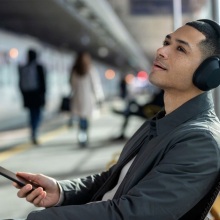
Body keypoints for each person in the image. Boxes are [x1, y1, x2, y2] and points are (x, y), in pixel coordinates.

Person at [14, 19, 220, 219]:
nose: (161, 51)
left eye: (181, 49)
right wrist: (61, 192)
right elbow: (112, 180)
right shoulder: (160, 123)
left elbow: (132, 214)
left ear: (209, 73)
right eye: (166, 43)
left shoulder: (200, 142)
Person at [68, 51, 98, 147]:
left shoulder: (74, 70)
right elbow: (95, 84)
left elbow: (72, 85)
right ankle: (85, 137)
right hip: (88, 97)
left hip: (77, 97)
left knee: (81, 118)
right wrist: (98, 96)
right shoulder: (90, 68)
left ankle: (81, 137)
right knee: (86, 118)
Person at [18, 49, 46, 145]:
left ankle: (33, 131)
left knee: (32, 114)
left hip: (28, 95)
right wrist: (43, 96)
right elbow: (43, 83)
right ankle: (35, 131)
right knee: (37, 114)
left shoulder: (24, 67)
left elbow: (20, 83)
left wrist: (23, 94)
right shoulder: (39, 67)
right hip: (37, 95)